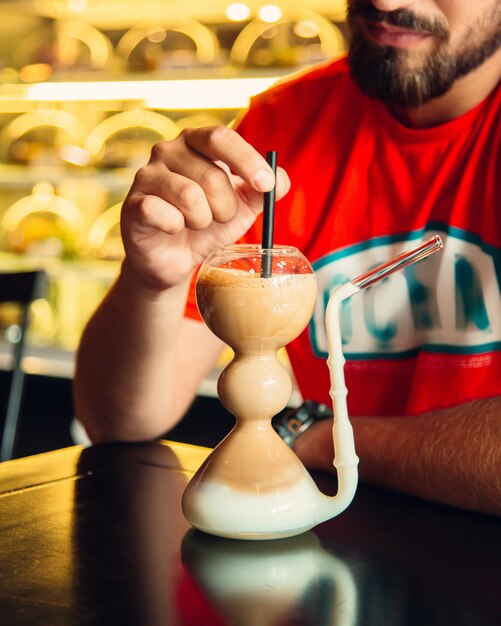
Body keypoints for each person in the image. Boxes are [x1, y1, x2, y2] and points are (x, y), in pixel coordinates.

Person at [74, 0, 501, 516]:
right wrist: (152, 282)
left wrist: (317, 437)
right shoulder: (282, 126)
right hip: (333, 535)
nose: (386, 3)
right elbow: (120, 422)